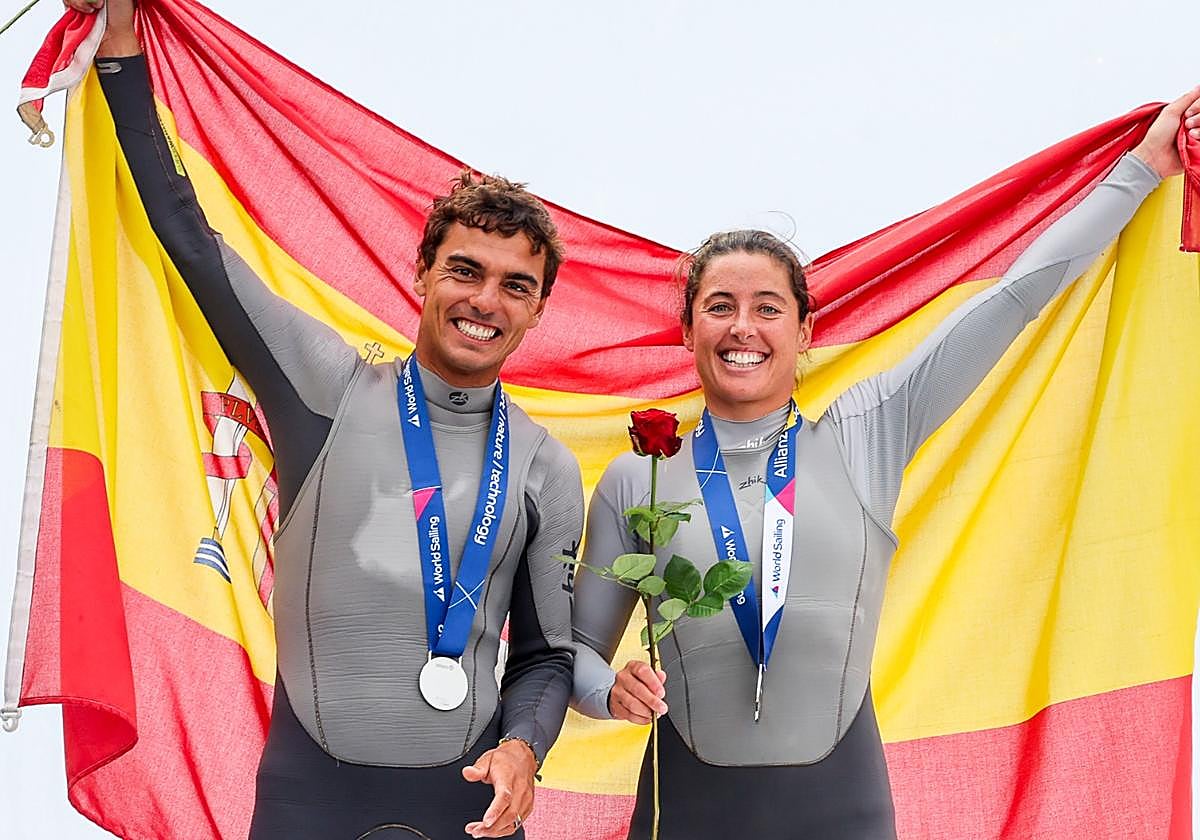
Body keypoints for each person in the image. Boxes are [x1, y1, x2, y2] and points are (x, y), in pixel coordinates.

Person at [571, 87, 1200, 838]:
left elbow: (1012, 301)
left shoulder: (867, 432)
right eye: (720, 306)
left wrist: (1141, 168)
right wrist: (610, 689)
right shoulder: (637, 477)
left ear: (806, 332)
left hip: (842, 810)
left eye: (769, 307)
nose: (745, 327)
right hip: (685, 813)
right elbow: (576, 654)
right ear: (688, 329)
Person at [70, 1, 584, 837]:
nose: (485, 301)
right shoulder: (327, 388)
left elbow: (545, 657)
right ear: (421, 274)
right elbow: (192, 242)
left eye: (514, 286)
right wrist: (123, 51)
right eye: (464, 270)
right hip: (312, 804)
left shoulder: (542, 466)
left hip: (470, 811)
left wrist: (525, 746)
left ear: (537, 312)